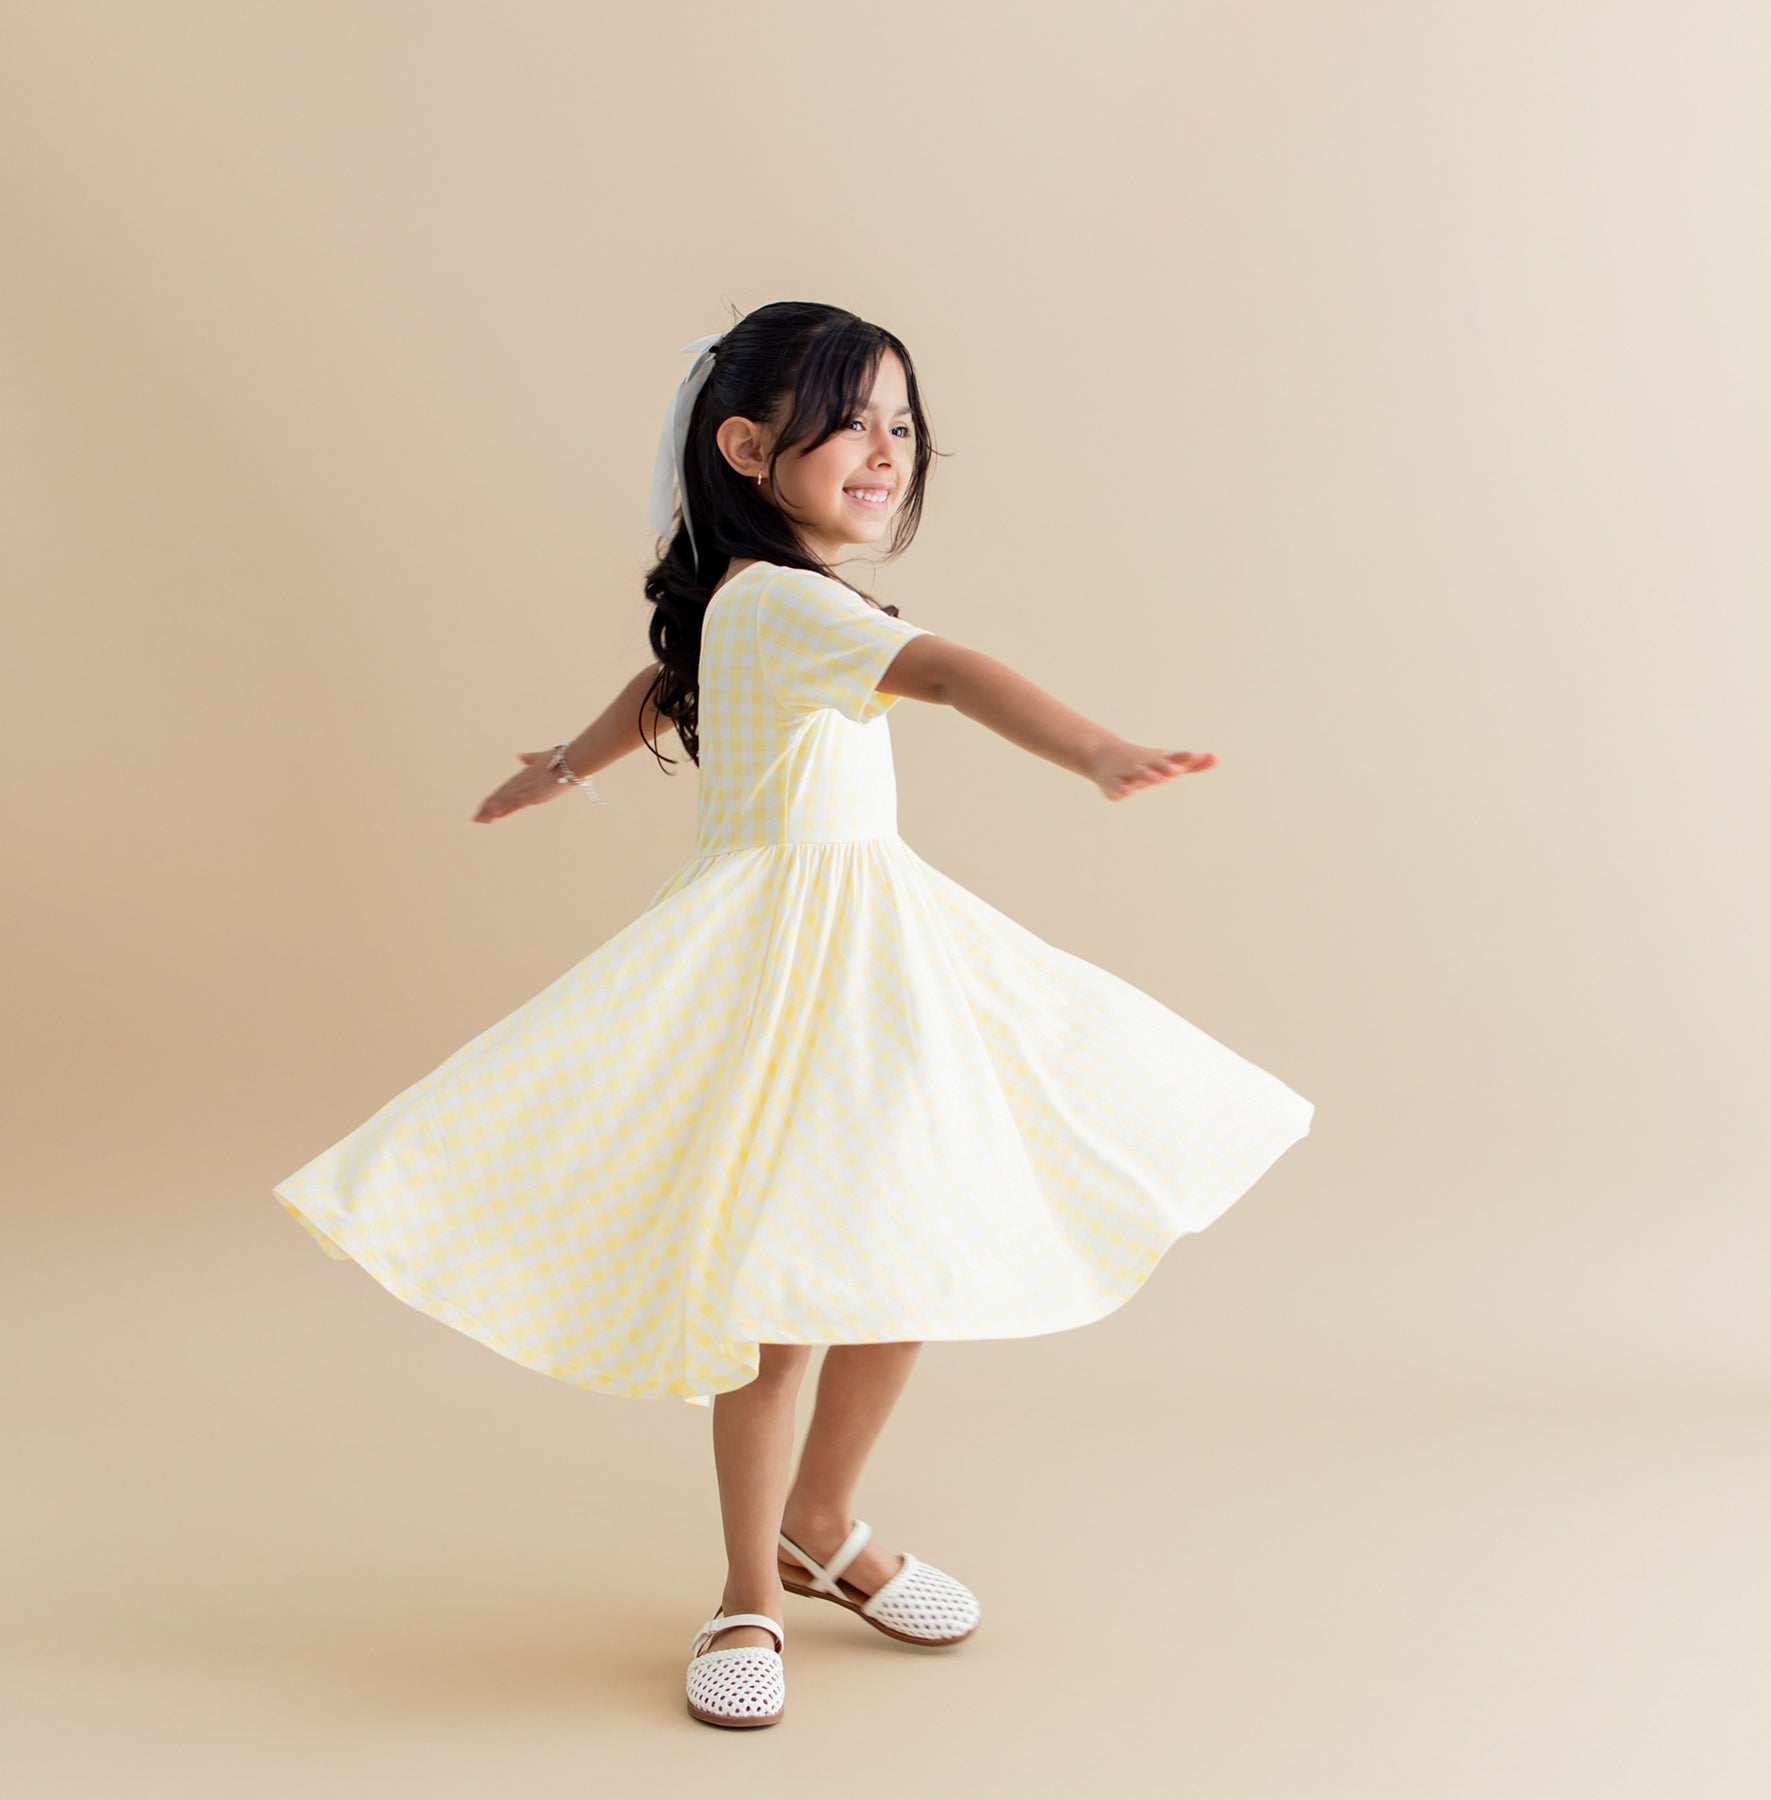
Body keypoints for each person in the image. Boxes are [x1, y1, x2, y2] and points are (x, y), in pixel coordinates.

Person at [272, 299, 1315, 1729]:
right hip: (782, 950)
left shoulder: (761, 598)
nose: (886, 451)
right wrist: (1093, 749)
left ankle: (823, 1525)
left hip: (871, 945)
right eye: (851, 422)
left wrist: (566, 767)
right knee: (780, 1291)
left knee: (902, 1244)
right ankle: (747, 1586)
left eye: (903, 424)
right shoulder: (784, 598)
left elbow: (665, 681)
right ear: (750, 444)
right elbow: (941, 671)